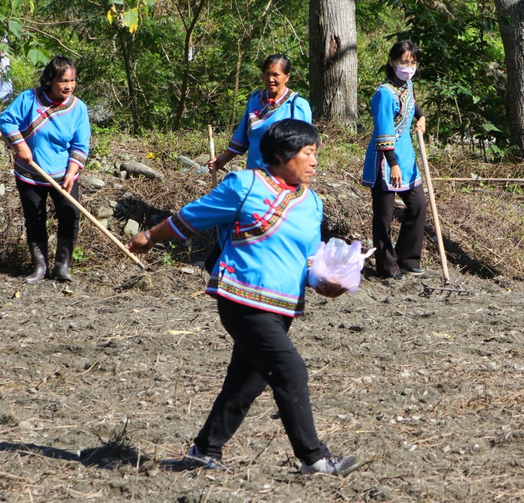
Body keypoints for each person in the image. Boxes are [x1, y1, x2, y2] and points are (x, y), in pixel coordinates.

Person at [126, 119, 359, 476]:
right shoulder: (244, 185)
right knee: (290, 370)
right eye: (308, 154)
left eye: (316, 154)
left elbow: (310, 259)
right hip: (242, 300)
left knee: (245, 382)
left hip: (283, 308)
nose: (315, 162)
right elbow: (192, 218)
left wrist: (325, 281)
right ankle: (314, 457)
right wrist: (151, 236)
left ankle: (203, 451)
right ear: (283, 155)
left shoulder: (312, 203)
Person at [0, 56, 91, 283]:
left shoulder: (78, 109)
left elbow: (80, 145)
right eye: (63, 81)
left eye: (72, 80)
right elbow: (7, 121)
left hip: (63, 175)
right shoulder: (28, 99)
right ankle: (40, 268)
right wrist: (20, 145)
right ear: (50, 80)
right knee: (35, 219)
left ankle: (62, 267)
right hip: (30, 173)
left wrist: (71, 173)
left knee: (70, 216)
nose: (68, 85)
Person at [362, 40, 427, 280]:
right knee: (384, 216)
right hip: (385, 161)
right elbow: (384, 130)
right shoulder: (383, 94)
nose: (408, 67)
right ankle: (387, 266)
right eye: (403, 62)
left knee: (418, 204)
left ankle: (407, 258)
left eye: (412, 62)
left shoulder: (407, 85)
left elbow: (410, 105)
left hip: (407, 158)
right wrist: (393, 164)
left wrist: (421, 117)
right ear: (392, 62)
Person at [208, 54, 312, 172]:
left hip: (282, 176)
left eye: (276, 75)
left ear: (287, 77)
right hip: (254, 174)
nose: (270, 79)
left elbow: (304, 146)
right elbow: (243, 133)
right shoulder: (255, 100)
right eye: (267, 74)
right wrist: (224, 158)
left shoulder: (297, 105)